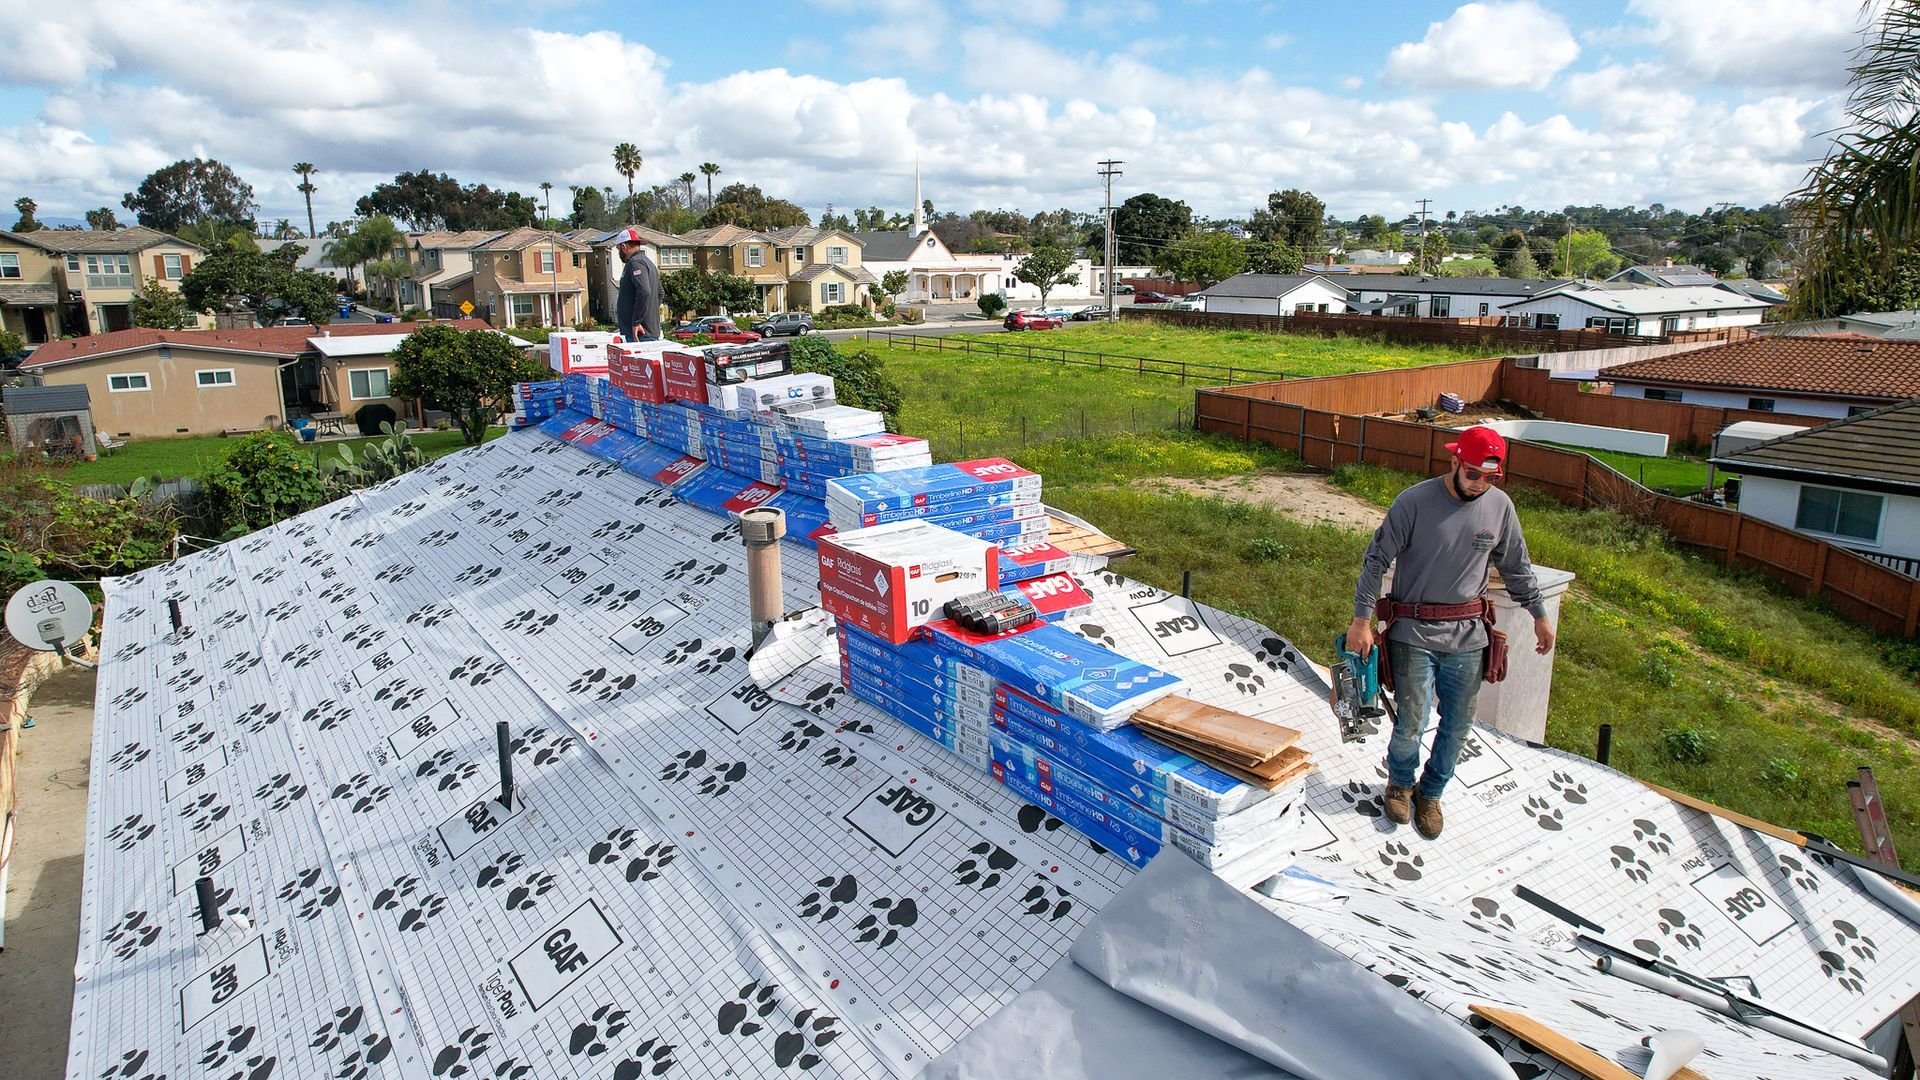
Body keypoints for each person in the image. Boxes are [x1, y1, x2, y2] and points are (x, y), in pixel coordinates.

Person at [1347, 425, 1554, 840]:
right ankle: (1400, 785)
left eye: (1490, 477)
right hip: (1414, 632)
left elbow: (1516, 565)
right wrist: (1361, 620)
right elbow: (1375, 561)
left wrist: (1539, 614)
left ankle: (1432, 792)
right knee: (1412, 721)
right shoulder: (1414, 502)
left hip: (1469, 636)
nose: (1480, 483)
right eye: (1473, 473)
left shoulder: (1500, 508)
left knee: (1459, 723)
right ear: (1455, 462)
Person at [613, 227, 661, 341]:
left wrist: (637, 321)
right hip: (647, 332)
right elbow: (660, 293)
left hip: (639, 334)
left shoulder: (635, 263)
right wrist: (648, 312)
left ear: (623, 247)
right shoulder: (648, 262)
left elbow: (644, 291)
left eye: (618, 249)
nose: (619, 252)